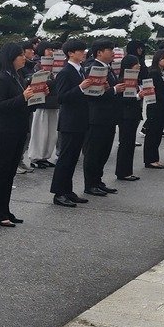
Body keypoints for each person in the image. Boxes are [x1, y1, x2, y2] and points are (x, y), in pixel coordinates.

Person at [0, 43, 42, 226]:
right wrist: (23, 97)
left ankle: (4, 210)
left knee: (9, 173)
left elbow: (22, 105)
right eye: (20, 55)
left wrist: (37, 97)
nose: (24, 58)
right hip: (3, 130)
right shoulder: (2, 78)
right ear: (10, 58)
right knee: (1, 173)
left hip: (17, 128)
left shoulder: (17, 76)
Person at [49, 39, 101, 208]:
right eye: (80, 50)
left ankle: (68, 190)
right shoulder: (65, 72)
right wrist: (80, 87)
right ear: (70, 53)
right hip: (69, 121)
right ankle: (59, 193)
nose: (83, 53)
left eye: (84, 50)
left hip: (80, 119)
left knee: (73, 159)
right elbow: (61, 97)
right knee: (65, 158)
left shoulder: (81, 70)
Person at [81, 40, 120, 197]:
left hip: (108, 116)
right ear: (99, 53)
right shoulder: (94, 68)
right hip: (96, 116)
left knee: (104, 151)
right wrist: (114, 90)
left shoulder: (108, 67)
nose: (112, 53)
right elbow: (94, 94)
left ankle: (98, 181)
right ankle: (90, 184)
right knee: (94, 152)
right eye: (109, 50)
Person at [114, 39, 147, 182]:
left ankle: (127, 171)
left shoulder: (135, 79)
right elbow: (124, 99)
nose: (138, 66)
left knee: (129, 144)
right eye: (135, 64)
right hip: (126, 116)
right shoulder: (124, 80)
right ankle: (123, 172)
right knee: (126, 144)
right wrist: (138, 97)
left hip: (133, 115)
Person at [26, 41, 60, 169]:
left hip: (54, 103)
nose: (51, 52)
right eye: (48, 49)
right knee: (40, 132)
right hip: (42, 103)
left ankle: (45, 156)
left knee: (51, 133)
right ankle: (36, 157)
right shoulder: (37, 65)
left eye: (52, 50)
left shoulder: (57, 66)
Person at [143, 49, 164, 169]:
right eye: (163, 59)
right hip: (154, 105)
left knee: (158, 133)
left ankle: (155, 158)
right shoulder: (153, 72)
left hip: (163, 105)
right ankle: (150, 160)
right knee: (152, 133)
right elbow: (152, 90)